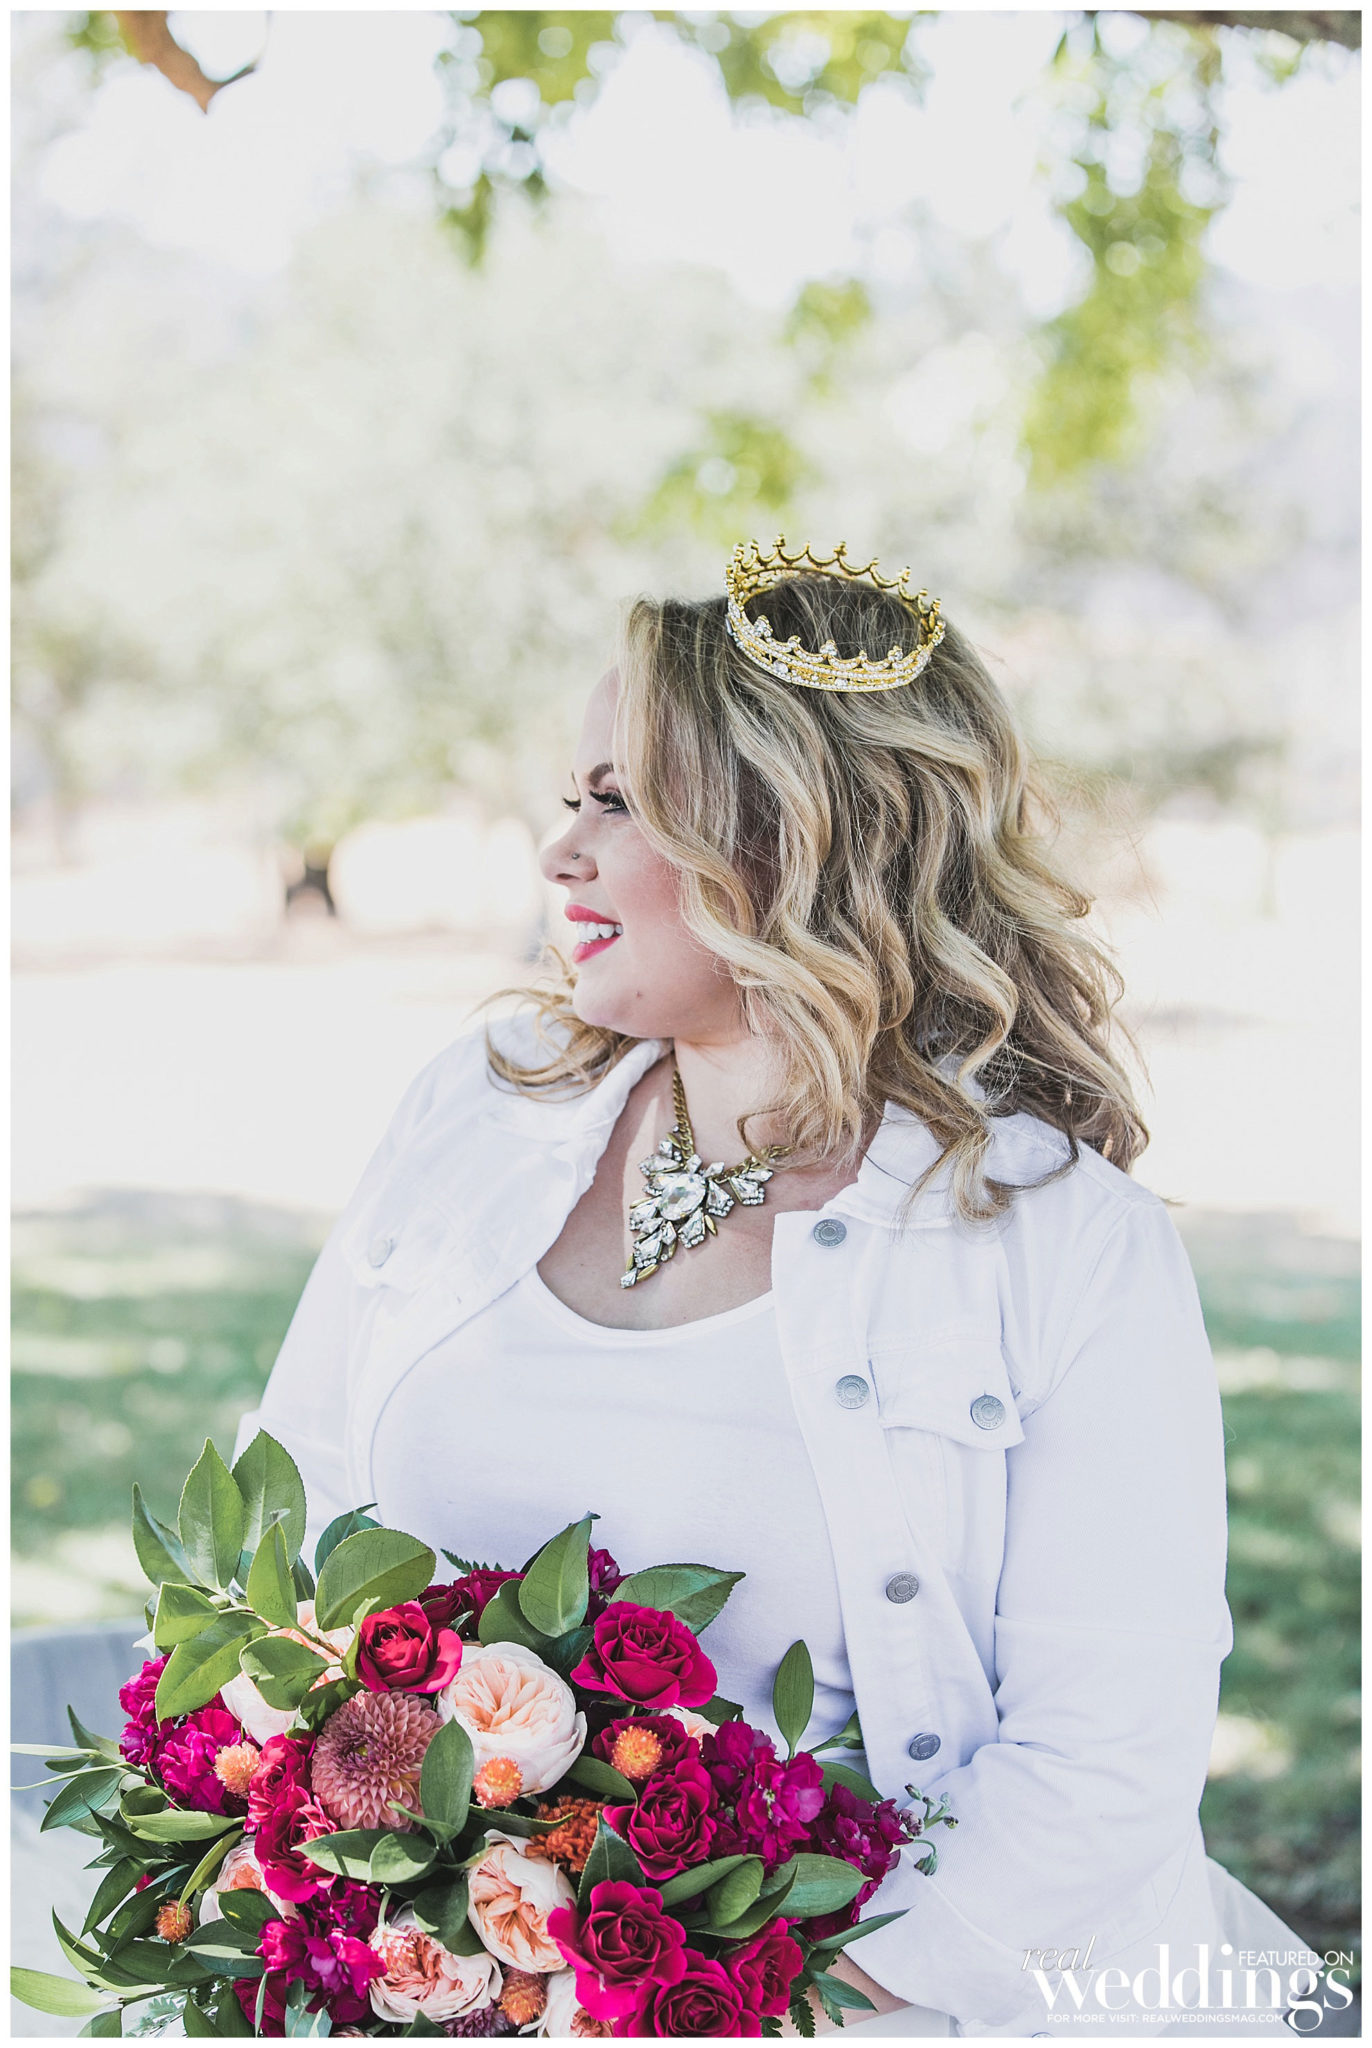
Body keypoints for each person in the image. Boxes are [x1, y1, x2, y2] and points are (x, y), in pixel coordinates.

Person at [235, 541, 1316, 2038]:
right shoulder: (477, 1112)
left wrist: (707, 1993)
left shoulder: (1059, 1238)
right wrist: (400, 1925)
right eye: (571, 798)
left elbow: (1104, 1759)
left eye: (620, 801)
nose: (561, 854)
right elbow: (288, 1523)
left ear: (797, 837)